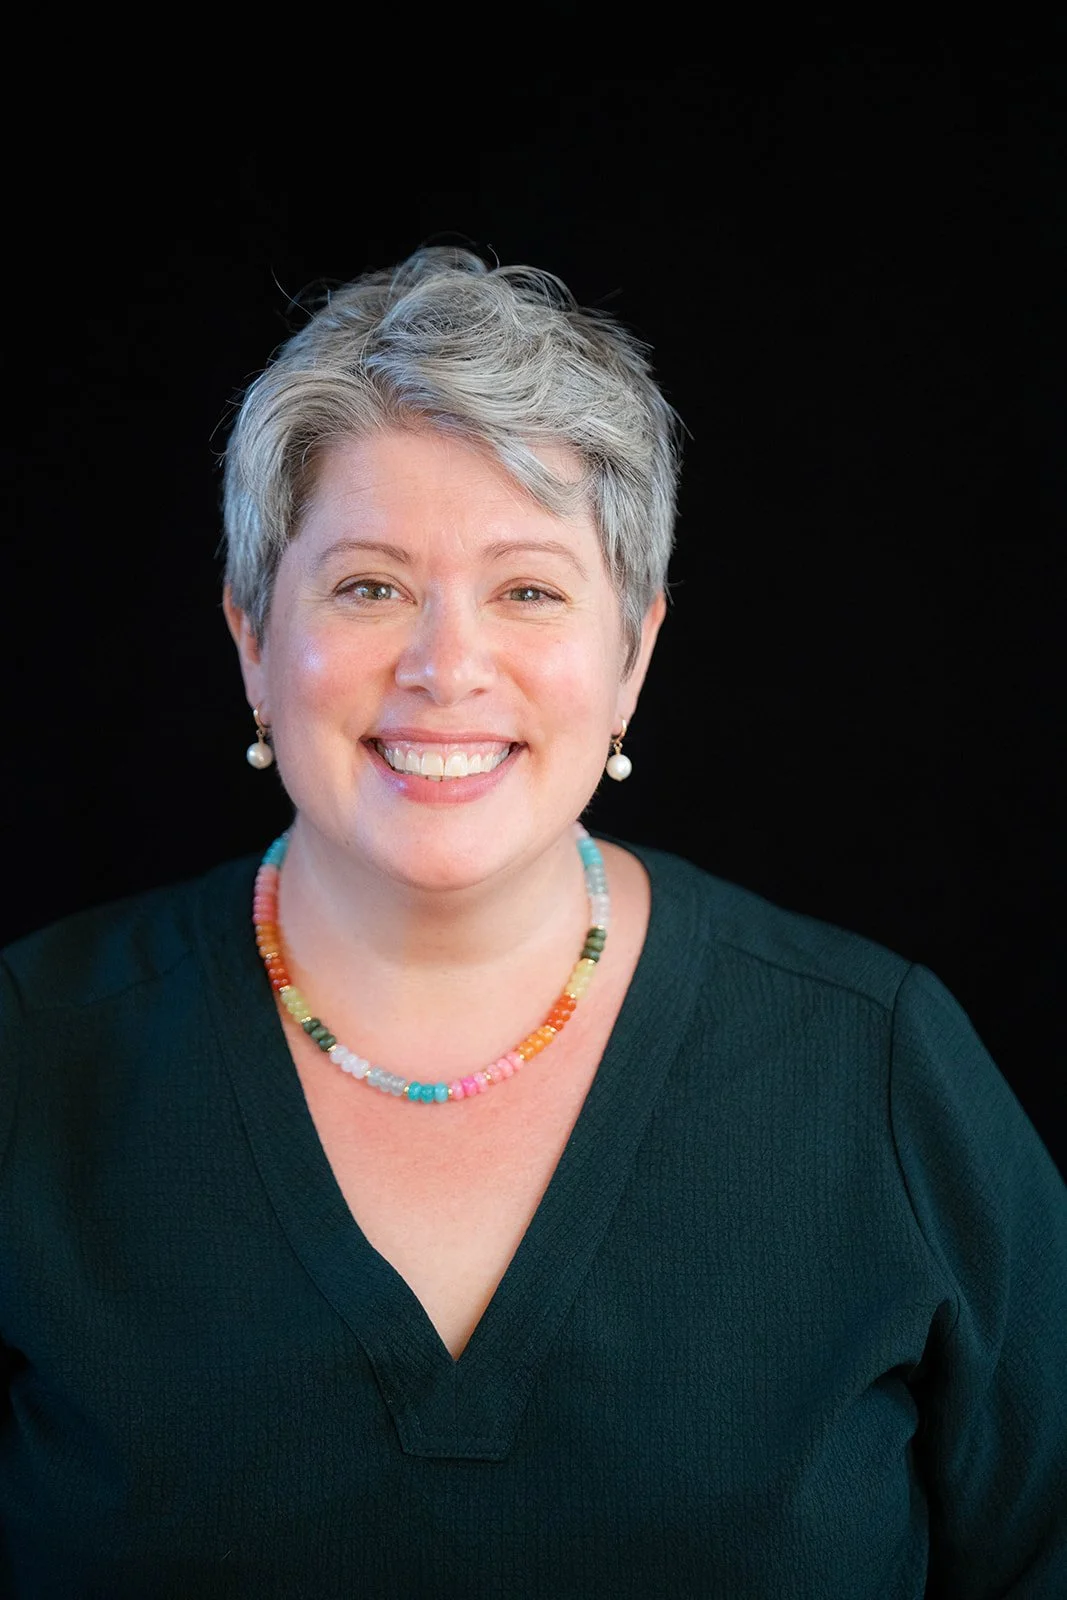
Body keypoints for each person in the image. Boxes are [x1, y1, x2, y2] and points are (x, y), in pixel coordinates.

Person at [1, 246, 1064, 1598]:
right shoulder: (34, 1055)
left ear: (632, 656)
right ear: (251, 640)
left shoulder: (879, 1067)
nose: (447, 668)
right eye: (370, 586)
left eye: (529, 590)